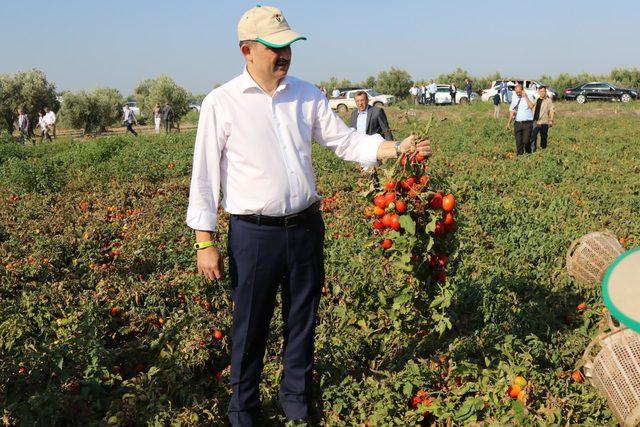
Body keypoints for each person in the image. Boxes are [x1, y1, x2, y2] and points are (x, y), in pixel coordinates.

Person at [185, 5, 431, 426]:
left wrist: (396, 148)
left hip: (304, 228)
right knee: (250, 325)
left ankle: (295, 401)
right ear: (247, 50)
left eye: (289, 46)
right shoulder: (220, 103)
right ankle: (243, 410)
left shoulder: (306, 94)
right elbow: (204, 177)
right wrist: (204, 241)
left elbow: (347, 142)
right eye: (275, 47)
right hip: (253, 234)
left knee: (303, 318)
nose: (285, 54)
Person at [505, 84, 535, 155]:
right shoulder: (515, 98)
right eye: (516, 92)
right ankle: (519, 158)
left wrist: (526, 97)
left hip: (527, 123)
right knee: (518, 142)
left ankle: (528, 153)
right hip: (518, 123)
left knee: (526, 141)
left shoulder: (530, 96)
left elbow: (531, 106)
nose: (518, 94)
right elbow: (512, 112)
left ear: (523, 90)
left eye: (519, 92)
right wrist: (508, 123)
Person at [530, 86, 555, 151]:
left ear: (545, 92)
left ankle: (543, 151)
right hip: (535, 121)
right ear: (538, 92)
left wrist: (551, 120)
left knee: (544, 137)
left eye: (544, 91)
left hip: (544, 122)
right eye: (541, 91)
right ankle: (533, 150)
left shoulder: (548, 100)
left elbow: (552, 110)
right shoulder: (535, 99)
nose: (542, 93)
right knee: (533, 137)